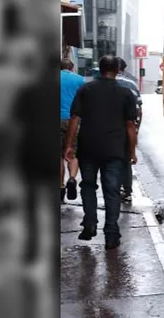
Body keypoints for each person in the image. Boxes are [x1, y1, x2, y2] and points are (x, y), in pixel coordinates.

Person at [64, 55, 138, 249]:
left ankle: (89, 223)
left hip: (88, 147)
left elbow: (74, 118)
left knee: (88, 186)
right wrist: (132, 151)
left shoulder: (86, 89)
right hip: (115, 149)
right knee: (112, 191)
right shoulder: (126, 93)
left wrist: (69, 145)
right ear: (117, 70)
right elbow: (131, 125)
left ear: (100, 69)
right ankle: (111, 233)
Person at [117, 57, 142, 202]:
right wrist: (137, 127)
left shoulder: (99, 85)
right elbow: (139, 108)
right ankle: (127, 190)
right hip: (127, 127)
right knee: (126, 159)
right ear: (123, 69)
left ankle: (114, 188)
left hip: (107, 129)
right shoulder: (131, 84)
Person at [60, 59, 84, 202]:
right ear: (72, 67)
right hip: (73, 120)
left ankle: (60, 187)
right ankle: (72, 179)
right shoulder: (79, 80)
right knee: (73, 153)